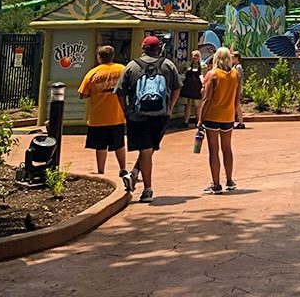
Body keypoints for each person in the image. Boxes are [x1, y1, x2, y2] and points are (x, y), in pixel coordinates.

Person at [116, 35, 182, 203]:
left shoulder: (131, 66)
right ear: (159, 48)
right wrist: (170, 106)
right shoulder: (168, 65)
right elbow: (177, 87)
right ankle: (138, 179)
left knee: (146, 150)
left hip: (137, 116)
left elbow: (120, 92)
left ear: (143, 48)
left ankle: (146, 187)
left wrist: (125, 110)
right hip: (160, 115)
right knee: (149, 149)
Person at [197, 47, 242, 194]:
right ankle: (229, 180)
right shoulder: (236, 74)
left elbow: (207, 99)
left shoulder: (213, 74)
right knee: (227, 148)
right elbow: (237, 98)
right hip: (228, 116)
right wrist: (234, 113)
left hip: (212, 116)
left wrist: (200, 120)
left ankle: (216, 184)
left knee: (214, 150)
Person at [78, 45, 127, 177]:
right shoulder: (122, 69)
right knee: (119, 144)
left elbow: (83, 94)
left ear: (99, 57)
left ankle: (101, 171)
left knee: (100, 146)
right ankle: (123, 168)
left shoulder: (92, 73)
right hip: (117, 115)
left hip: (98, 117)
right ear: (113, 56)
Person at [180, 50, 205, 128]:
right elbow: (181, 72)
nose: (194, 57)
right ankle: (185, 122)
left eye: (196, 56)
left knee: (198, 106)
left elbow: (203, 75)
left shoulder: (203, 66)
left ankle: (198, 122)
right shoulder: (187, 65)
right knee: (188, 105)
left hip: (197, 87)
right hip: (188, 87)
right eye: (193, 55)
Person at [230, 50, 246, 129]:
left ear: (237, 58)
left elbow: (238, 78)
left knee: (236, 105)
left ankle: (240, 122)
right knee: (236, 106)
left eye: (233, 57)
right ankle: (239, 122)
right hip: (234, 88)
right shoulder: (234, 66)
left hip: (236, 88)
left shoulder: (238, 67)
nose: (231, 59)